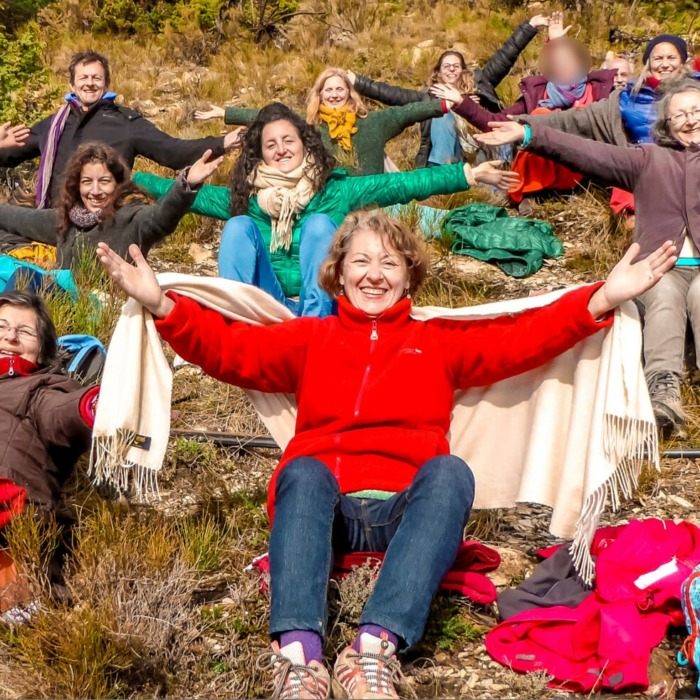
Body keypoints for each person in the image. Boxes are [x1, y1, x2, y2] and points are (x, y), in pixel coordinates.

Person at [97, 207, 675, 699]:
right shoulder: (309, 338)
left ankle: (373, 649)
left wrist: (601, 298)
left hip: (405, 514)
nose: (374, 275)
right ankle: (300, 657)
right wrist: (163, 305)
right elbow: (230, 349)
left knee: (449, 472)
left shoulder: (439, 342)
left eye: (389, 263)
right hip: (327, 518)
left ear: (408, 276)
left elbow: (523, 339)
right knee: (301, 469)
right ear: (339, 274)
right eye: (361, 262)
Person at [134, 102, 518, 317]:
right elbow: (187, 196)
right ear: (260, 153)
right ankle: (236, 319)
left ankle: (315, 326)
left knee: (320, 225)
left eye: (289, 140)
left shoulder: (335, 190)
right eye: (271, 145)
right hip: (266, 304)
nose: (281, 149)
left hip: (318, 310)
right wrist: (130, 178)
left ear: (305, 144)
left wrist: (469, 173)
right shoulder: (246, 197)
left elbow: (399, 184)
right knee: (237, 228)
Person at [475, 77, 700, 436]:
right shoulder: (648, 159)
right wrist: (529, 135)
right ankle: (663, 393)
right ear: (666, 125)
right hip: (661, 269)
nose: (690, 119)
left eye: (696, 111)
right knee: (666, 296)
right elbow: (585, 151)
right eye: (680, 115)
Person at [0, 51, 238, 208]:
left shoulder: (126, 123)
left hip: (105, 223)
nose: (89, 83)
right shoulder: (53, 125)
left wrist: (221, 143)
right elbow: (11, 154)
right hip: (52, 219)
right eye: (83, 78)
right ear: (72, 84)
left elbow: (172, 150)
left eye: (96, 78)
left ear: (106, 84)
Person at [515, 34, 694, 224]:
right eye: (658, 58)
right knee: (629, 196)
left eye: (671, 58)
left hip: (687, 165)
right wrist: (518, 123)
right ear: (648, 63)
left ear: (683, 61)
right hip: (642, 164)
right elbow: (575, 119)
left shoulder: (694, 92)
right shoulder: (627, 98)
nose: (664, 64)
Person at [347, 13, 560, 168]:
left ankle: (501, 177)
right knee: (441, 115)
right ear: (438, 72)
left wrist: (530, 26)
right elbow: (391, 94)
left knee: (498, 122)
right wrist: (357, 82)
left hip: (483, 147)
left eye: (455, 65)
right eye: (446, 66)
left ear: (463, 70)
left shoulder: (481, 82)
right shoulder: (428, 96)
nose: (450, 69)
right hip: (453, 155)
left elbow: (505, 56)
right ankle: (443, 177)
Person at [431, 35, 616, 213]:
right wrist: (462, 102)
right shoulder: (537, 93)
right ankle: (531, 193)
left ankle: (576, 191)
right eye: (557, 62)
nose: (563, 66)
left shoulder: (600, 90)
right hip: (541, 170)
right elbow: (496, 122)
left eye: (569, 61)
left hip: (585, 165)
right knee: (538, 115)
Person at [0, 290, 99, 618]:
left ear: (43, 350)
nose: (11, 336)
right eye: (1, 327)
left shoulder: (43, 388)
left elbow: (62, 412)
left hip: (12, 531)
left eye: (25, 331)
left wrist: (97, 407)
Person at [0, 142, 223, 270]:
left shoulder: (132, 218)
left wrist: (186, 184)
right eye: (87, 182)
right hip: (66, 307)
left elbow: (162, 216)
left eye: (104, 182)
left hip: (116, 317)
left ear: (118, 184)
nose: (95, 191)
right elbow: (15, 218)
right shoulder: (65, 219)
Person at [195, 67, 448, 175]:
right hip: (331, 206)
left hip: (376, 204)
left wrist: (446, 104)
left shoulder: (373, 122)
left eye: (340, 89)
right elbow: (268, 117)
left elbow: (408, 112)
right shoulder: (310, 127)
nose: (335, 94)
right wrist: (225, 114)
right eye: (329, 90)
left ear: (350, 93)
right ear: (320, 95)